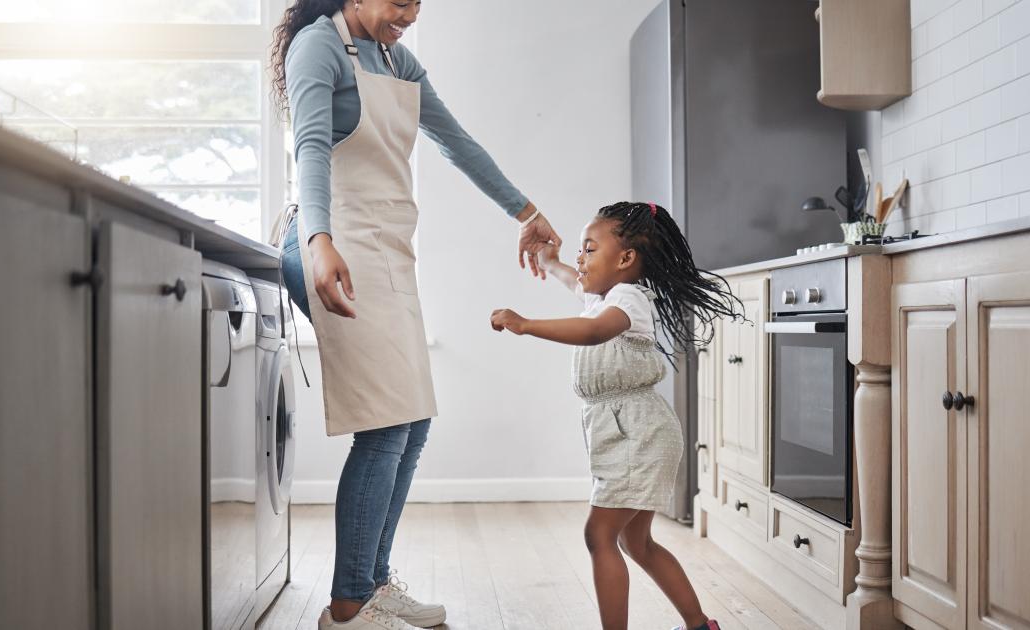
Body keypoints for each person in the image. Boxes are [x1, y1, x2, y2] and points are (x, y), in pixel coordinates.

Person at [269, 1, 561, 628]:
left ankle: (372, 582)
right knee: (383, 424)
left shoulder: (397, 61)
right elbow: (311, 150)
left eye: (418, 3)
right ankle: (348, 606)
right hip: (332, 239)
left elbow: (457, 142)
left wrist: (526, 212)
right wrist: (319, 241)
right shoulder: (318, 47)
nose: (410, 14)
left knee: (413, 421)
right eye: (399, 1)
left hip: (386, 249)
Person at [490, 201, 741, 630]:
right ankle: (701, 625)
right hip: (628, 430)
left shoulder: (628, 298)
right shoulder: (603, 295)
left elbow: (594, 332)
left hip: (638, 433)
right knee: (636, 543)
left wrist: (526, 324)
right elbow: (574, 281)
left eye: (589, 248)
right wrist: (550, 262)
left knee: (599, 535)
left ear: (625, 259)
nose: (580, 258)